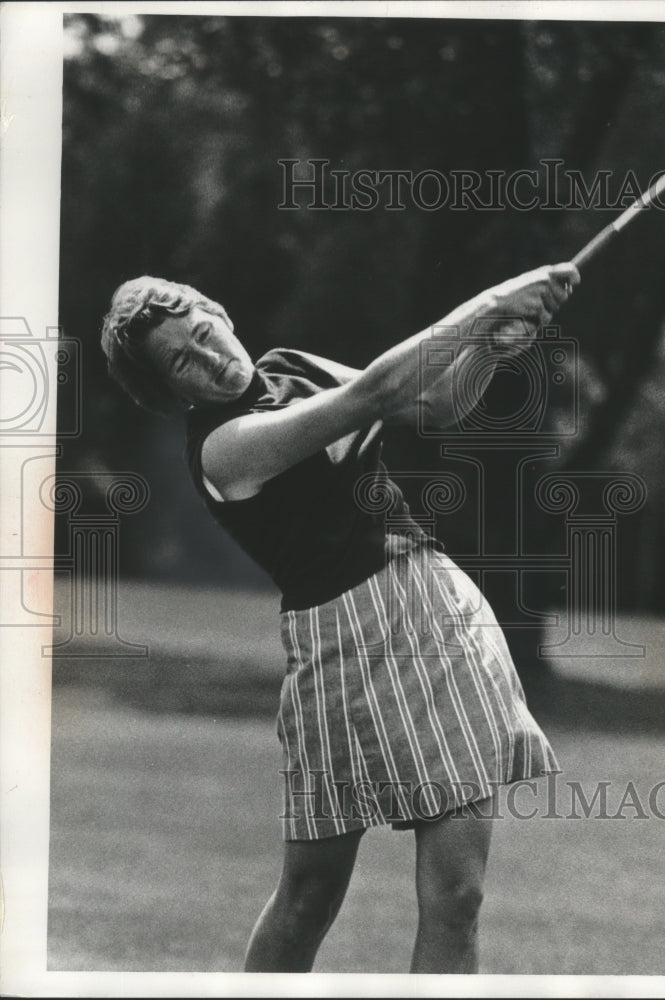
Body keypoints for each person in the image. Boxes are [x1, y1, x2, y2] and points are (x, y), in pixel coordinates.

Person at [100, 260, 579, 974]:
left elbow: (432, 405)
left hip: (435, 608)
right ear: (167, 390)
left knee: (459, 895)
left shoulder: (291, 363)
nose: (208, 357)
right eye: (182, 361)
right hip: (341, 650)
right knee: (310, 896)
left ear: (220, 311)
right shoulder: (223, 450)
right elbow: (374, 391)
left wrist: (489, 348)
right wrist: (489, 303)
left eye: (203, 332)